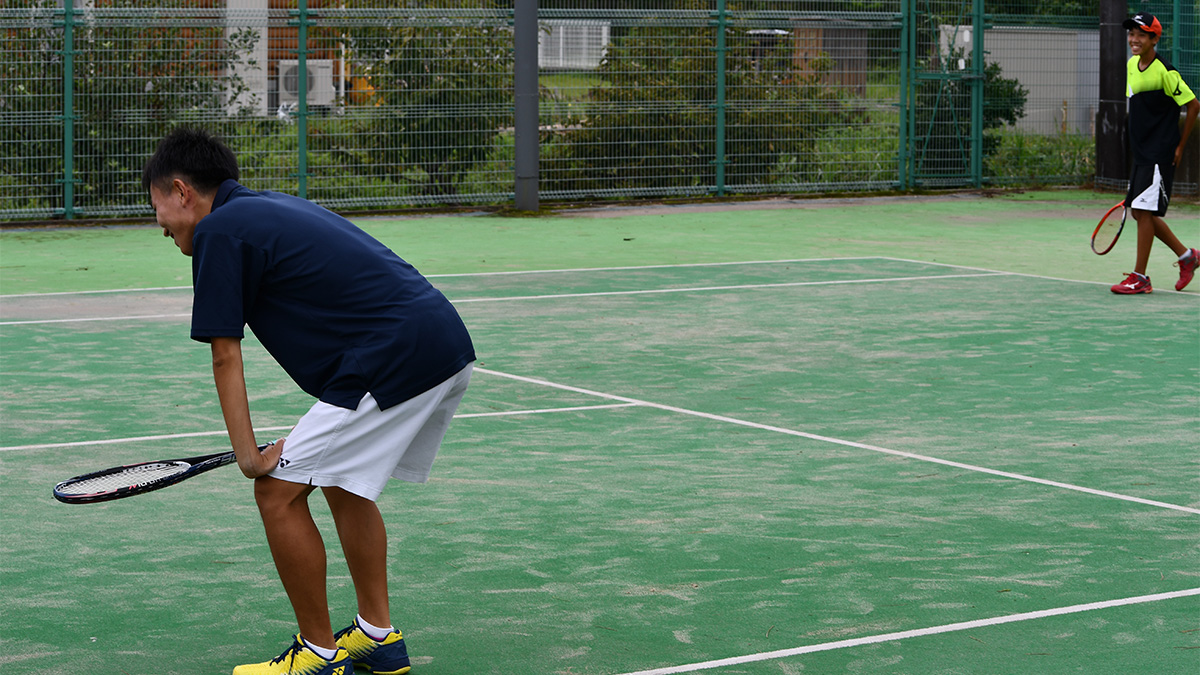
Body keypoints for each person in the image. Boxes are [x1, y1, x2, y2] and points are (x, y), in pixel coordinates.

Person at [143, 127, 475, 675]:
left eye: (157, 206)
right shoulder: (264, 207)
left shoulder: (219, 232)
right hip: (436, 339)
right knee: (344, 482)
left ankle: (317, 654)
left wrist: (250, 458)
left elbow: (225, 355)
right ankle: (377, 637)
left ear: (181, 190)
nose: (158, 224)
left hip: (390, 356)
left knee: (276, 493)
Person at [1111, 12, 1200, 295]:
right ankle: (1188, 257)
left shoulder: (1166, 71)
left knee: (1145, 211)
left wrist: (1179, 146)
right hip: (1142, 151)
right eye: (1131, 34)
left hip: (1159, 151)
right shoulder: (1131, 66)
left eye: (1141, 35)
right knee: (1139, 212)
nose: (1134, 40)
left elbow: (1194, 105)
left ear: (1154, 39)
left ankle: (1140, 277)